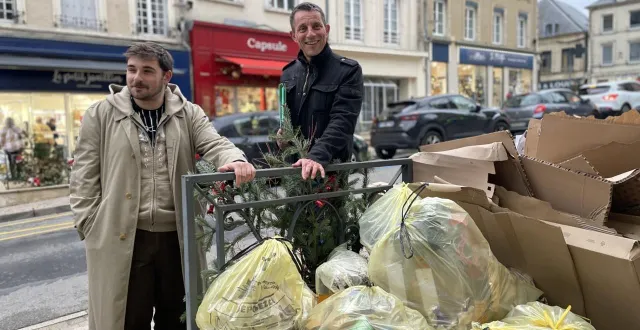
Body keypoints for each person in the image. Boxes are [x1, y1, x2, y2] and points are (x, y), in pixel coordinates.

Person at [69, 42, 256, 330]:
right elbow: (83, 173)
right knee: (128, 320)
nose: (136, 78)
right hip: (125, 237)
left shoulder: (188, 113)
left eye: (146, 71)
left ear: (166, 77)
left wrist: (235, 158)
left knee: (177, 319)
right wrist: (88, 222)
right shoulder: (101, 114)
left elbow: (214, 142)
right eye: (131, 70)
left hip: (177, 239)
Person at [279, 2, 364, 180]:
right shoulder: (288, 73)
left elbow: (342, 122)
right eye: (302, 28)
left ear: (326, 29)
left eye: (316, 26)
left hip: (330, 173)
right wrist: (282, 137)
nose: (310, 34)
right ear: (293, 35)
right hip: (295, 173)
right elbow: (286, 119)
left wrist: (315, 157)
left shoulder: (348, 71)